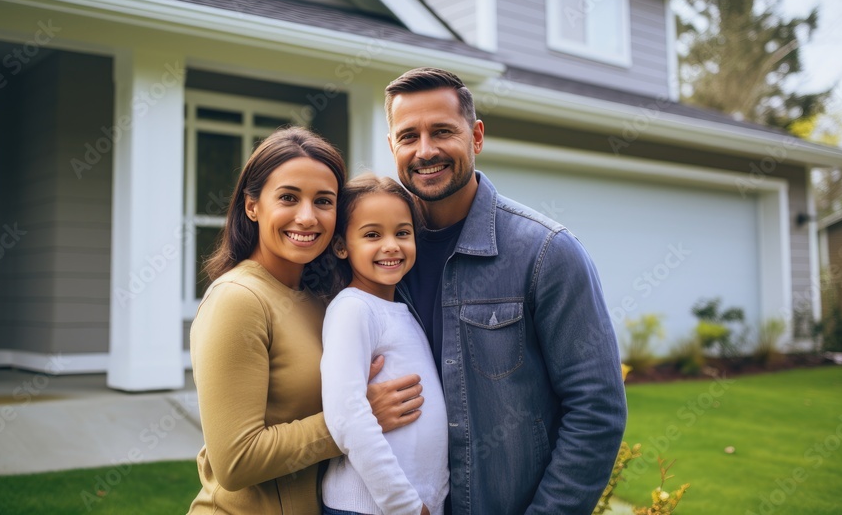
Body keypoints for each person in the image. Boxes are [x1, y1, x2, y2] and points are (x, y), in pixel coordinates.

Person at [384, 68, 628, 514]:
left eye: (442, 131)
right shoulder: (375, 260)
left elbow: (596, 411)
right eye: (408, 136)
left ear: (476, 136)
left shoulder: (546, 253)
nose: (426, 150)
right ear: (392, 147)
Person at [187, 127, 424, 515]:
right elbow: (235, 461)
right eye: (288, 198)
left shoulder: (322, 300)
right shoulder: (237, 300)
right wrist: (355, 420)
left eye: (324, 201)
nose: (307, 217)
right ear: (252, 206)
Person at [319, 174, 448, 515]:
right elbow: (347, 417)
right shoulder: (353, 309)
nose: (391, 245)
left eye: (402, 233)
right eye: (373, 234)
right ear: (341, 246)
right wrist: (405, 505)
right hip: (369, 507)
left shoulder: (399, 310)